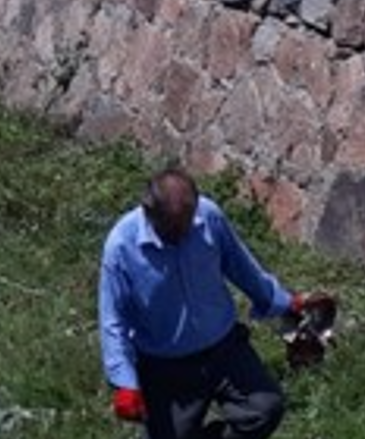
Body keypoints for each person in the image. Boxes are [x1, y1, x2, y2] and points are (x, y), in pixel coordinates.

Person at [98, 168, 329, 439]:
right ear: (149, 212)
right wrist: (125, 383)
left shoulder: (208, 217)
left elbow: (242, 267)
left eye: (185, 227)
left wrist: (286, 303)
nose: (180, 237)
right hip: (166, 366)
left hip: (224, 348)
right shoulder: (121, 246)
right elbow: (113, 321)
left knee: (265, 408)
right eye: (170, 230)